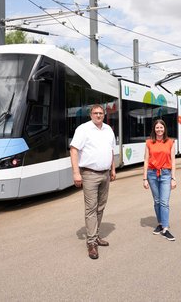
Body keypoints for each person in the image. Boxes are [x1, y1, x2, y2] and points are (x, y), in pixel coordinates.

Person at [70, 104, 116, 259]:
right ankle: (91, 243)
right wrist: (76, 173)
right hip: (89, 174)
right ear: (91, 115)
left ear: (104, 115)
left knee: (101, 207)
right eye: (95, 113)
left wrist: (113, 169)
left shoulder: (108, 129)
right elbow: (74, 149)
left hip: (105, 174)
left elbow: (111, 150)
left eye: (101, 113)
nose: (98, 115)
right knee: (91, 208)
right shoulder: (83, 129)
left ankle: (95, 236)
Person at [143, 119, 177, 241]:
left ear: (164, 129)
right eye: (157, 127)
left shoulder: (170, 142)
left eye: (161, 127)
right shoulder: (148, 142)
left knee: (164, 202)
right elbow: (146, 160)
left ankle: (165, 228)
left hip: (166, 174)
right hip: (152, 174)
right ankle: (160, 223)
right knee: (157, 201)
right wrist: (144, 178)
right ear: (154, 129)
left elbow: (173, 160)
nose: (159, 129)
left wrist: (173, 178)